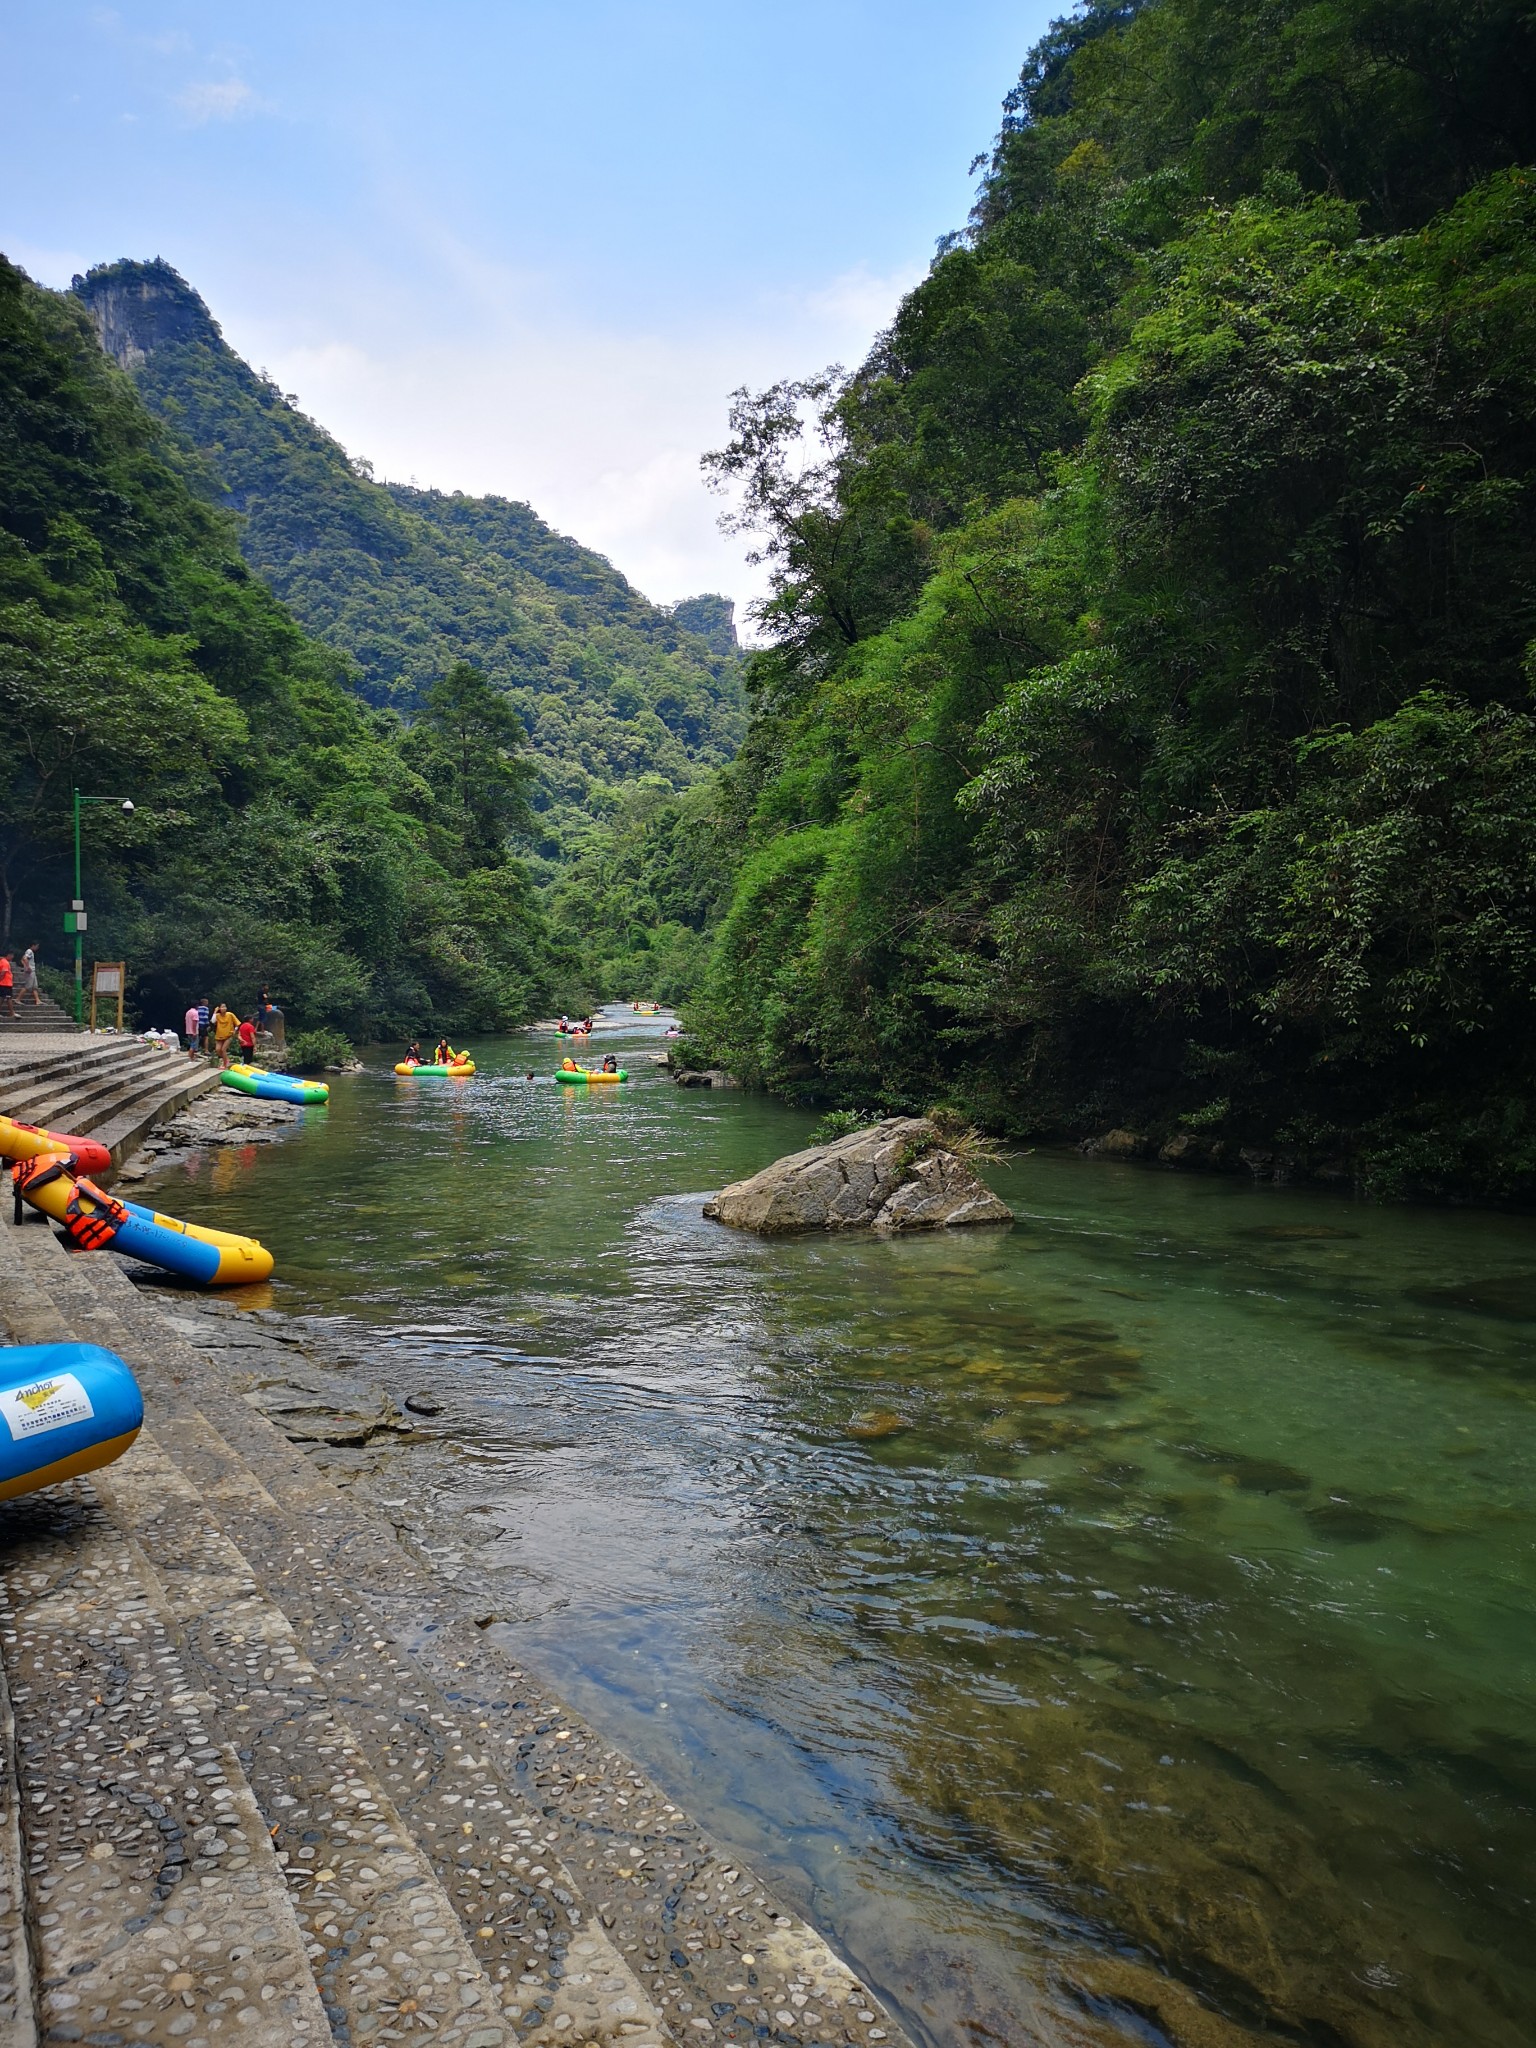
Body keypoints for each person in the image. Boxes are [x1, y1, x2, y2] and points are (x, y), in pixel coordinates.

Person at [212, 1001, 239, 1067]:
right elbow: (213, 1021)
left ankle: (225, 1064)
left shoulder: (230, 1014)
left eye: (225, 1007)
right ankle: (226, 1059)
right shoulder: (217, 1016)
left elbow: (237, 1024)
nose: (224, 1008)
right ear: (219, 1008)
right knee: (218, 1049)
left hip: (228, 1035)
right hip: (219, 1035)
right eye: (222, 1007)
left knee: (223, 1049)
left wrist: (235, 1030)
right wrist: (215, 1012)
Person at [17, 943, 40, 1007]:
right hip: (30, 971)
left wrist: (25, 965)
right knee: (28, 986)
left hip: (32, 970)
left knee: (34, 986)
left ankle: (38, 1000)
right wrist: (27, 967)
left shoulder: (30, 952)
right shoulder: (29, 951)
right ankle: (18, 999)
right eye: (37, 946)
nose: (37, 948)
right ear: (33, 945)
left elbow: (22, 959)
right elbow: (25, 958)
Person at [0, 952, 13, 1020]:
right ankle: (12, 1013)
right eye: (12, 955)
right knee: (6, 998)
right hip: (5, 983)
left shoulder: (3, 961)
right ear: (8, 955)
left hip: (6, 983)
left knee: (5, 997)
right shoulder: (5, 962)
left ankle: (12, 1013)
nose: (12, 957)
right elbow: (3, 973)